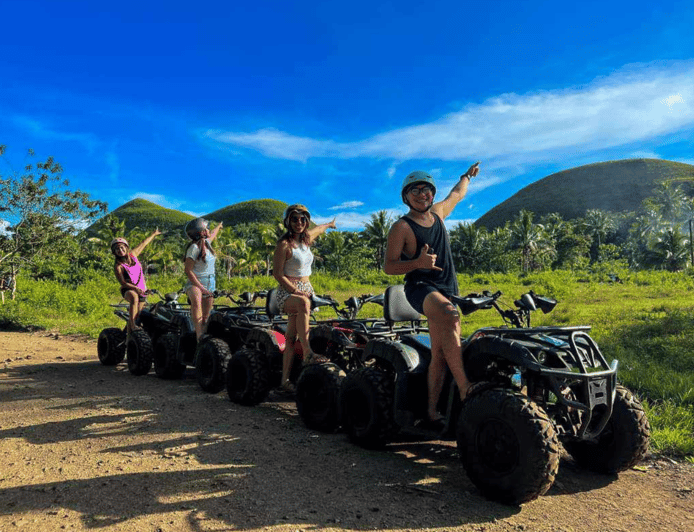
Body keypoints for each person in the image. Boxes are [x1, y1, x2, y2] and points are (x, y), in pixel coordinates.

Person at [384, 162, 480, 427]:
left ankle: (431, 411)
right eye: (415, 190)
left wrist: (466, 177)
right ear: (406, 197)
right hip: (420, 288)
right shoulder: (401, 228)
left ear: (432, 194)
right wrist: (418, 264)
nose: (421, 194)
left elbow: (457, 195)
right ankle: (464, 387)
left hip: (448, 287)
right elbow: (389, 266)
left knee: (439, 352)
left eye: (426, 190)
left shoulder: (438, 214)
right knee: (450, 316)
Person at [273, 204, 336, 393]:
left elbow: (319, 229)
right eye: (294, 219)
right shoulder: (284, 245)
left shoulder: (307, 240)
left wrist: (330, 224)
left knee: (290, 338)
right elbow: (277, 274)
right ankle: (308, 352)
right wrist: (296, 290)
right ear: (288, 222)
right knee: (303, 304)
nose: (299, 223)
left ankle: (284, 381)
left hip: (306, 287)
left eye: (303, 219)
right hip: (288, 291)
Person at [111, 228, 162, 333]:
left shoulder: (133, 256)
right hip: (128, 289)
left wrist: (154, 234)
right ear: (114, 252)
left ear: (126, 247)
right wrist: (135, 289)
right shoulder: (118, 266)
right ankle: (133, 326)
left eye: (122, 247)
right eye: (117, 249)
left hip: (142, 290)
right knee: (134, 297)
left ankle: (128, 338)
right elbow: (123, 283)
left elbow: (143, 244)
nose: (120, 251)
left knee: (137, 314)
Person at [183, 217, 223, 340]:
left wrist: (219, 226)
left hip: (210, 282)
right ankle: (199, 335)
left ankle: (203, 336)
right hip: (195, 282)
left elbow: (214, 234)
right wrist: (200, 287)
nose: (209, 230)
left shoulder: (207, 244)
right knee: (196, 303)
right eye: (207, 228)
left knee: (206, 315)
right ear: (201, 232)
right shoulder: (194, 248)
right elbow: (188, 271)